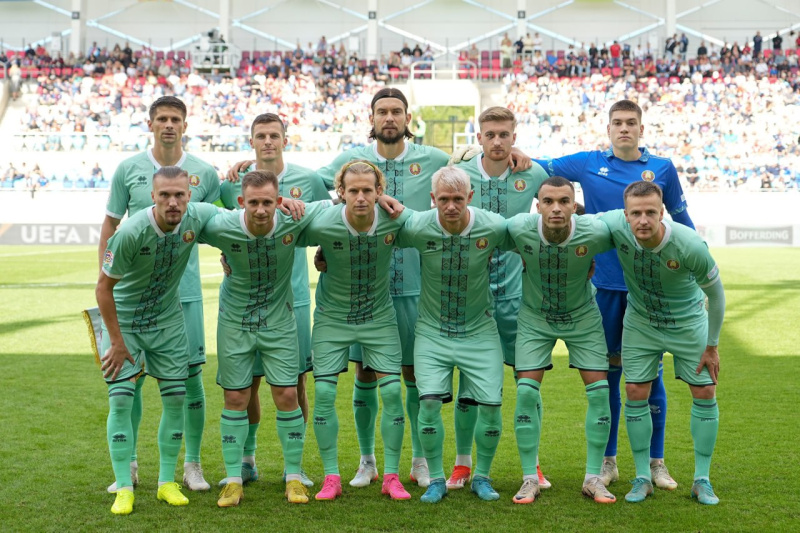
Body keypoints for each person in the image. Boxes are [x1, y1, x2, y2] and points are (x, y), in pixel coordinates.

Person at [534, 99, 696, 491]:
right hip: (604, 287)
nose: (624, 128)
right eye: (617, 123)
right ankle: (608, 462)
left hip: (649, 288)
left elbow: (682, 220)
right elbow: (536, 166)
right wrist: (485, 156)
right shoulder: (588, 163)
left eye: (631, 122)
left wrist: (695, 268)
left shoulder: (662, 168)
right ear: (608, 129)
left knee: (651, 376)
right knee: (608, 375)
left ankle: (656, 462)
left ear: (641, 128)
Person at [98, 96, 219, 494]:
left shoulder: (204, 172)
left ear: (185, 125)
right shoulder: (128, 169)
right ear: (150, 124)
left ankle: (192, 465)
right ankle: (129, 464)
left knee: (190, 380)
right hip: (134, 296)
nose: (169, 124)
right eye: (162, 118)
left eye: (175, 119)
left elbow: (224, 218)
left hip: (184, 293)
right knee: (128, 383)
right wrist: (105, 275)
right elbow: (111, 224)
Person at [199, 170, 324, 507]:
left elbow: (339, 210)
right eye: (253, 202)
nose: (260, 210)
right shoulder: (221, 225)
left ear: (279, 201)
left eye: (268, 202)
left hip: (279, 322)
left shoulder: (292, 219)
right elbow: (185, 215)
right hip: (234, 324)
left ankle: (293, 477)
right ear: (241, 202)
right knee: (236, 397)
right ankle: (233, 481)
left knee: (288, 393)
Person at [217, 113, 329, 489]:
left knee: (294, 382)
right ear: (251, 141)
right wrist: (225, 255)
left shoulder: (308, 180)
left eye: (274, 135)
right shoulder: (233, 181)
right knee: (246, 382)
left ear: (285, 139)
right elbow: (220, 222)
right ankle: (246, 460)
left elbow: (329, 224)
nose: (268, 142)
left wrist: (324, 254)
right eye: (261, 136)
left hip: (291, 297)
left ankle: (292, 466)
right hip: (243, 301)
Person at [599, 181, 724, 505]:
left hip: (688, 325)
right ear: (625, 214)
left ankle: (702, 480)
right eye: (636, 213)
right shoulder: (614, 224)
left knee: (705, 391)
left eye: (650, 212)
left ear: (662, 212)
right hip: (641, 324)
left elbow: (716, 295)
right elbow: (576, 226)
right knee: (634, 391)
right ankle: (643, 477)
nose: (643, 220)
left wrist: (712, 346)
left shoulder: (689, 244)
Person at [447, 107, 550, 492]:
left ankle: (533, 465)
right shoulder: (460, 173)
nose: (497, 141)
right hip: (471, 297)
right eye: (489, 134)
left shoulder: (533, 174)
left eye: (504, 135)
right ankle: (462, 464)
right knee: (470, 385)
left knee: (528, 382)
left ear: (514, 137)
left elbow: (559, 205)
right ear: (478, 138)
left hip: (520, 296)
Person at [298, 161, 412, 502]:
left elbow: (434, 226)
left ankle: (391, 476)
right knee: (325, 394)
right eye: (353, 191)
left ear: (379, 192)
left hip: (379, 318)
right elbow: (275, 230)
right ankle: (331, 477)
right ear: (341, 193)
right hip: (332, 319)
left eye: (367, 190)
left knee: (392, 394)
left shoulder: (395, 218)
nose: (360, 197)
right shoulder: (322, 220)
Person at [396, 165, 509, 504]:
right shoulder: (417, 225)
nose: (450, 206)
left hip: (480, 331)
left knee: (491, 407)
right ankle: (435, 479)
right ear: (432, 198)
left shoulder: (493, 226)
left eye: (458, 199)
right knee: (429, 403)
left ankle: (482, 477)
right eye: (443, 199)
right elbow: (374, 233)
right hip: (432, 332)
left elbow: (534, 236)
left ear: (470, 197)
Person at [505, 176, 616, 504]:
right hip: (535, 318)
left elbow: (632, 223)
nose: (556, 208)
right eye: (548, 202)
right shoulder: (518, 227)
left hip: (583, 318)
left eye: (564, 201)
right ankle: (530, 478)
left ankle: (593, 479)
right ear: (537, 206)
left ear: (574, 205)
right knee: (526, 392)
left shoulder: (594, 231)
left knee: (600, 394)